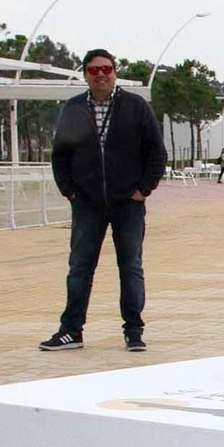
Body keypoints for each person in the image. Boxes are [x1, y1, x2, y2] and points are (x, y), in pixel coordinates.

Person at [42, 48, 166, 352]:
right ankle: (71, 331)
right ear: (85, 74)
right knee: (80, 267)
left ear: (115, 72)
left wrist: (143, 189)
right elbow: (60, 155)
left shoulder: (135, 106)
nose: (101, 75)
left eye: (106, 69)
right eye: (94, 70)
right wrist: (70, 191)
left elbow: (156, 152)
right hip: (87, 204)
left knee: (131, 266)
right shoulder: (73, 108)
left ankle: (134, 331)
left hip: (128, 203)